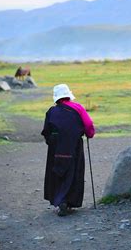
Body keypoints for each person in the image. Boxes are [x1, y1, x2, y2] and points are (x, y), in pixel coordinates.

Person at [41, 84, 95, 216]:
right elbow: (88, 125)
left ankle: (60, 201)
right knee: (74, 171)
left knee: (57, 172)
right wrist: (89, 134)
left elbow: (46, 131)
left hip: (56, 148)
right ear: (68, 95)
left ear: (57, 98)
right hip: (73, 146)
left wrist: (52, 143)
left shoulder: (51, 111)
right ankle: (69, 202)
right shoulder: (78, 108)